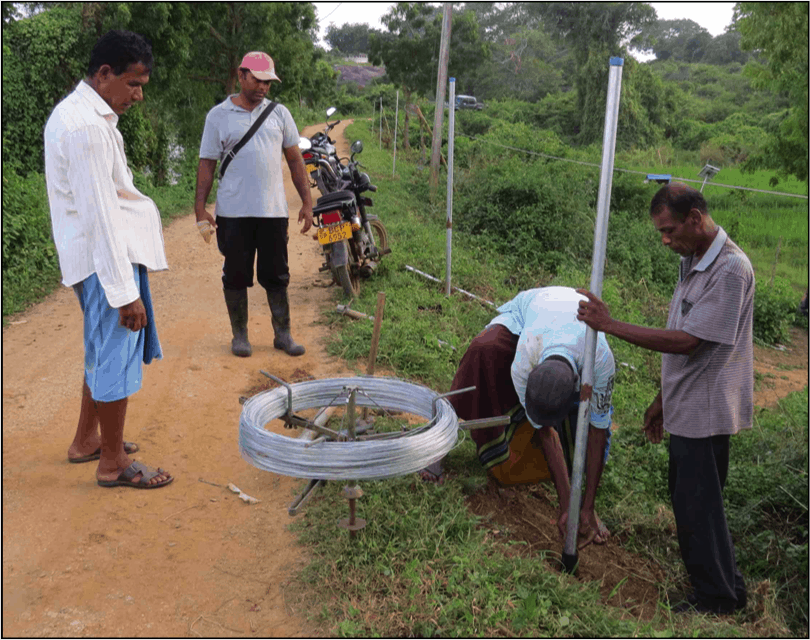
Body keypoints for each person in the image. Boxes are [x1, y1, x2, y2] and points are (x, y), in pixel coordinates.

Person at [577, 182, 752, 615]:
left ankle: (717, 601)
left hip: (706, 411)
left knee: (697, 505)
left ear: (696, 217)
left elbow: (689, 342)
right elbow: (693, 344)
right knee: (693, 499)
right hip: (688, 404)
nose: (665, 240)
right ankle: (726, 586)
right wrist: (662, 399)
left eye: (670, 230)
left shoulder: (729, 270)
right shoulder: (695, 261)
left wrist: (610, 324)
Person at [44, 30, 173, 489]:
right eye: (133, 84)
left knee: (101, 349)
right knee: (115, 353)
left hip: (99, 258)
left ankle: (87, 440)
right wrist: (125, 293)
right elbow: (100, 217)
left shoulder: (87, 118)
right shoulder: (84, 129)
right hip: (104, 263)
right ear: (104, 75)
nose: (138, 95)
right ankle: (113, 463)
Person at [423, 286, 616, 548]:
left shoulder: (601, 362)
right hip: (526, 317)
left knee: (583, 419)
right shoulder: (525, 358)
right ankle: (436, 450)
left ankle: (584, 505)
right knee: (484, 350)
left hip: (574, 327)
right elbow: (545, 431)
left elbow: (597, 430)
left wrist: (584, 506)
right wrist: (564, 504)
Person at [195, 51, 313, 358]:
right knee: (235, 275)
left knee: (277, 275)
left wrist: (307, 201)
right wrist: (200, 207)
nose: (263, 88)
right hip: (233, 213)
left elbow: (295, 160)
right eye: (258, 80)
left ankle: (283, 334)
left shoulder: (280, 114)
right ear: (241, 75)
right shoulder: (218, 116)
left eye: (268, 83)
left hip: (272, 212)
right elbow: (207, 164)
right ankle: (240, 335)